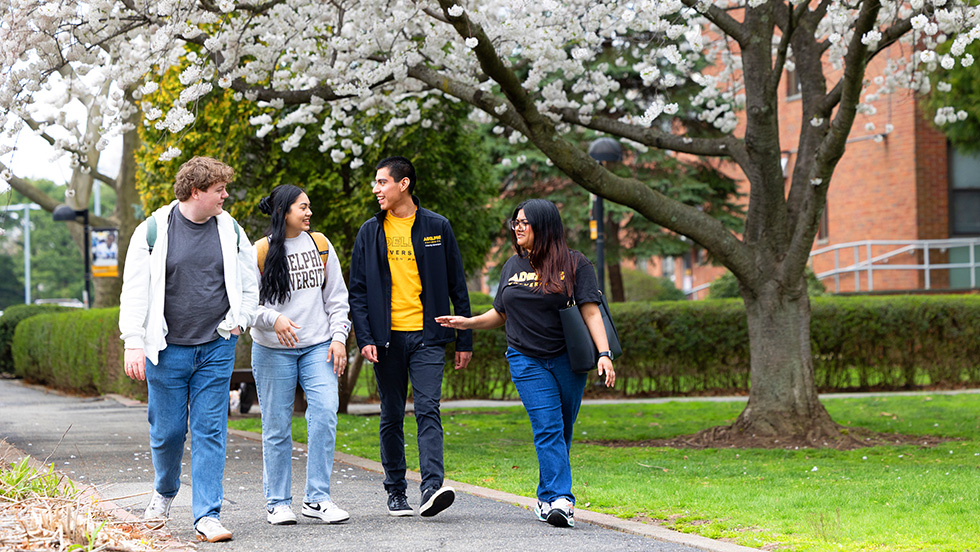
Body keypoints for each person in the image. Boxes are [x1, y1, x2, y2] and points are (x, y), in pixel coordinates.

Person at [436, 198, 616, 529]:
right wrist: (467, 323)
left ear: (544, 226)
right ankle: (562, 499)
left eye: (524, 223)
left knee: (562, 428)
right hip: (525, 358)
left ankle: (547, 498)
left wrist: (604, 354)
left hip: (567, 358)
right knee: (548, 426)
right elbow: (500, 314)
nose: (517, 228)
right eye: (514, 223)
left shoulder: (576, 265)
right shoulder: (511, 267)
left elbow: (591, 310)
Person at [118, 156, 259, 543]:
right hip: (166, 349)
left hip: (215, 347)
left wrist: (241, 320)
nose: (225, 196)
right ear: (196, 192)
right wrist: (133, 340)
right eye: (219, 190)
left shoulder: (229, 229)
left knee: (210, 430)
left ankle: (207, 515)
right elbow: (134, 290)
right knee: (167, 432)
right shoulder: (151, 231)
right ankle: (164, 492)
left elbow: (250, 281)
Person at [349, 156, 472, 518]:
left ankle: (432, 487)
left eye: (382, 182)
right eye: (375, 183)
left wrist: (464, 339)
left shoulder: (437, 226)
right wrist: (365, 337)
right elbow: (357, 291)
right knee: (390, 413)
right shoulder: (369, 231)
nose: (376, 189)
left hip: (429, 336)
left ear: (403, 184)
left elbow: (457, 285)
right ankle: (395, 490)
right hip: (386, 340)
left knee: (428, 409)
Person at [249, 184, 351, 526]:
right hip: (272, 351)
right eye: (301, 207)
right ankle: (277, 502)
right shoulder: (260, 252)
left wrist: (339, 337)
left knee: (324, 413)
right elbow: (247, 306)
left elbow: (337, 297)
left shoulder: (320, 245)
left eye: (309, 207)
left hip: (318, 345)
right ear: (283, 212)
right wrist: (273, 318)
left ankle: (317, 499)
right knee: (276, 426)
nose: (308, 213)